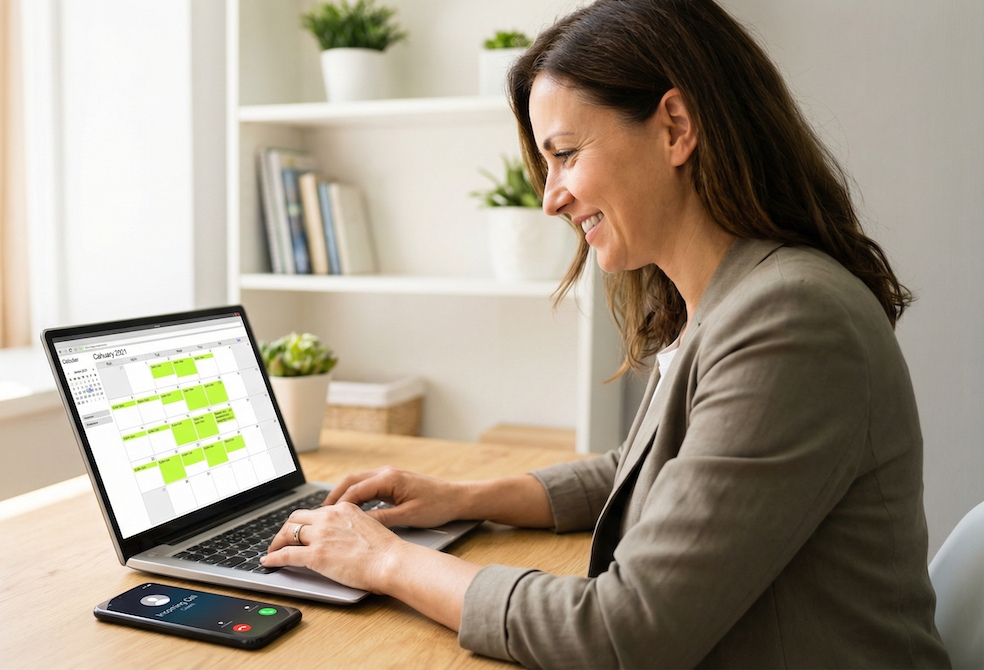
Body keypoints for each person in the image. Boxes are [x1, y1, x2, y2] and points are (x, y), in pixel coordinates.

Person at [261, 0, 952, 666]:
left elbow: (621, 636)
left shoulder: (791, 322)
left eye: (564, 153)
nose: (549, 196)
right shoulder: (736, 297)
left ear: (676, 127)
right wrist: (464, 499)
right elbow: (641, 465)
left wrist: (385, 561)